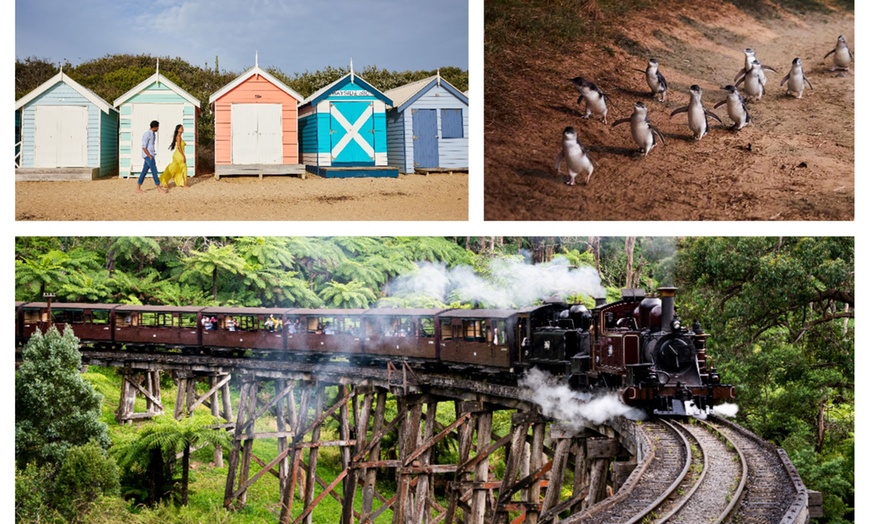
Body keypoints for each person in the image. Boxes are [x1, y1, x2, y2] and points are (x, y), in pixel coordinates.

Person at [137, 120, 167, 193]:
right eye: (158, 127)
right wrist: (149, 155)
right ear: (155, 127)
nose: (158, 128)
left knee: (144, 171)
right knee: (154, 170)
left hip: (151, 154)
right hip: (148, 156)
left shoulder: (153, 134)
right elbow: (144, 147)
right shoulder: (147, 134)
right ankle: (159, 188)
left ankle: (138, 188)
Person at [159, 124, 188, 189]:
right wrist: (183, 156)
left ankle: (182, 183)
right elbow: (179, 147)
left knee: (177, 168)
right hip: (179, 155)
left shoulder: (179, 136)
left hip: (177, 154)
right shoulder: (178, 137)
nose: (182, 129)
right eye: (181, 128)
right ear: (178, 130)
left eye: (182, 127)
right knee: (183, 168)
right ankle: (184, 184)